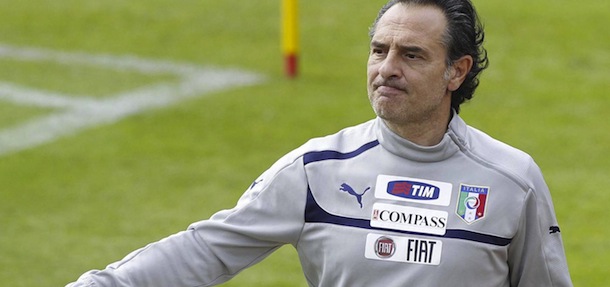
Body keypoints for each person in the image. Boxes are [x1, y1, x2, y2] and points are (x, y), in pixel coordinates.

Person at [68, 0, 573, 286]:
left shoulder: (512, 181)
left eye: (412, 55)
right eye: (379, 50)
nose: (387, 69)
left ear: (455, 72)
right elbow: (207, 249)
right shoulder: (315, 170)